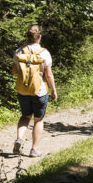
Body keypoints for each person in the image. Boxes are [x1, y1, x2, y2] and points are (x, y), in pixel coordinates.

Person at [12, 24, 58, 157]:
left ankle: (19, 139)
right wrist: (53, 90)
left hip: (23, 90)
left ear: (27, 36)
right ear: (40, 37)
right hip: (40, 91)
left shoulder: (19, 51)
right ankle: (34, 149)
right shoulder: (44, 53)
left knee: (25, 116)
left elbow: (14, 71)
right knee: (38, 119)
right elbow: (49, 75)